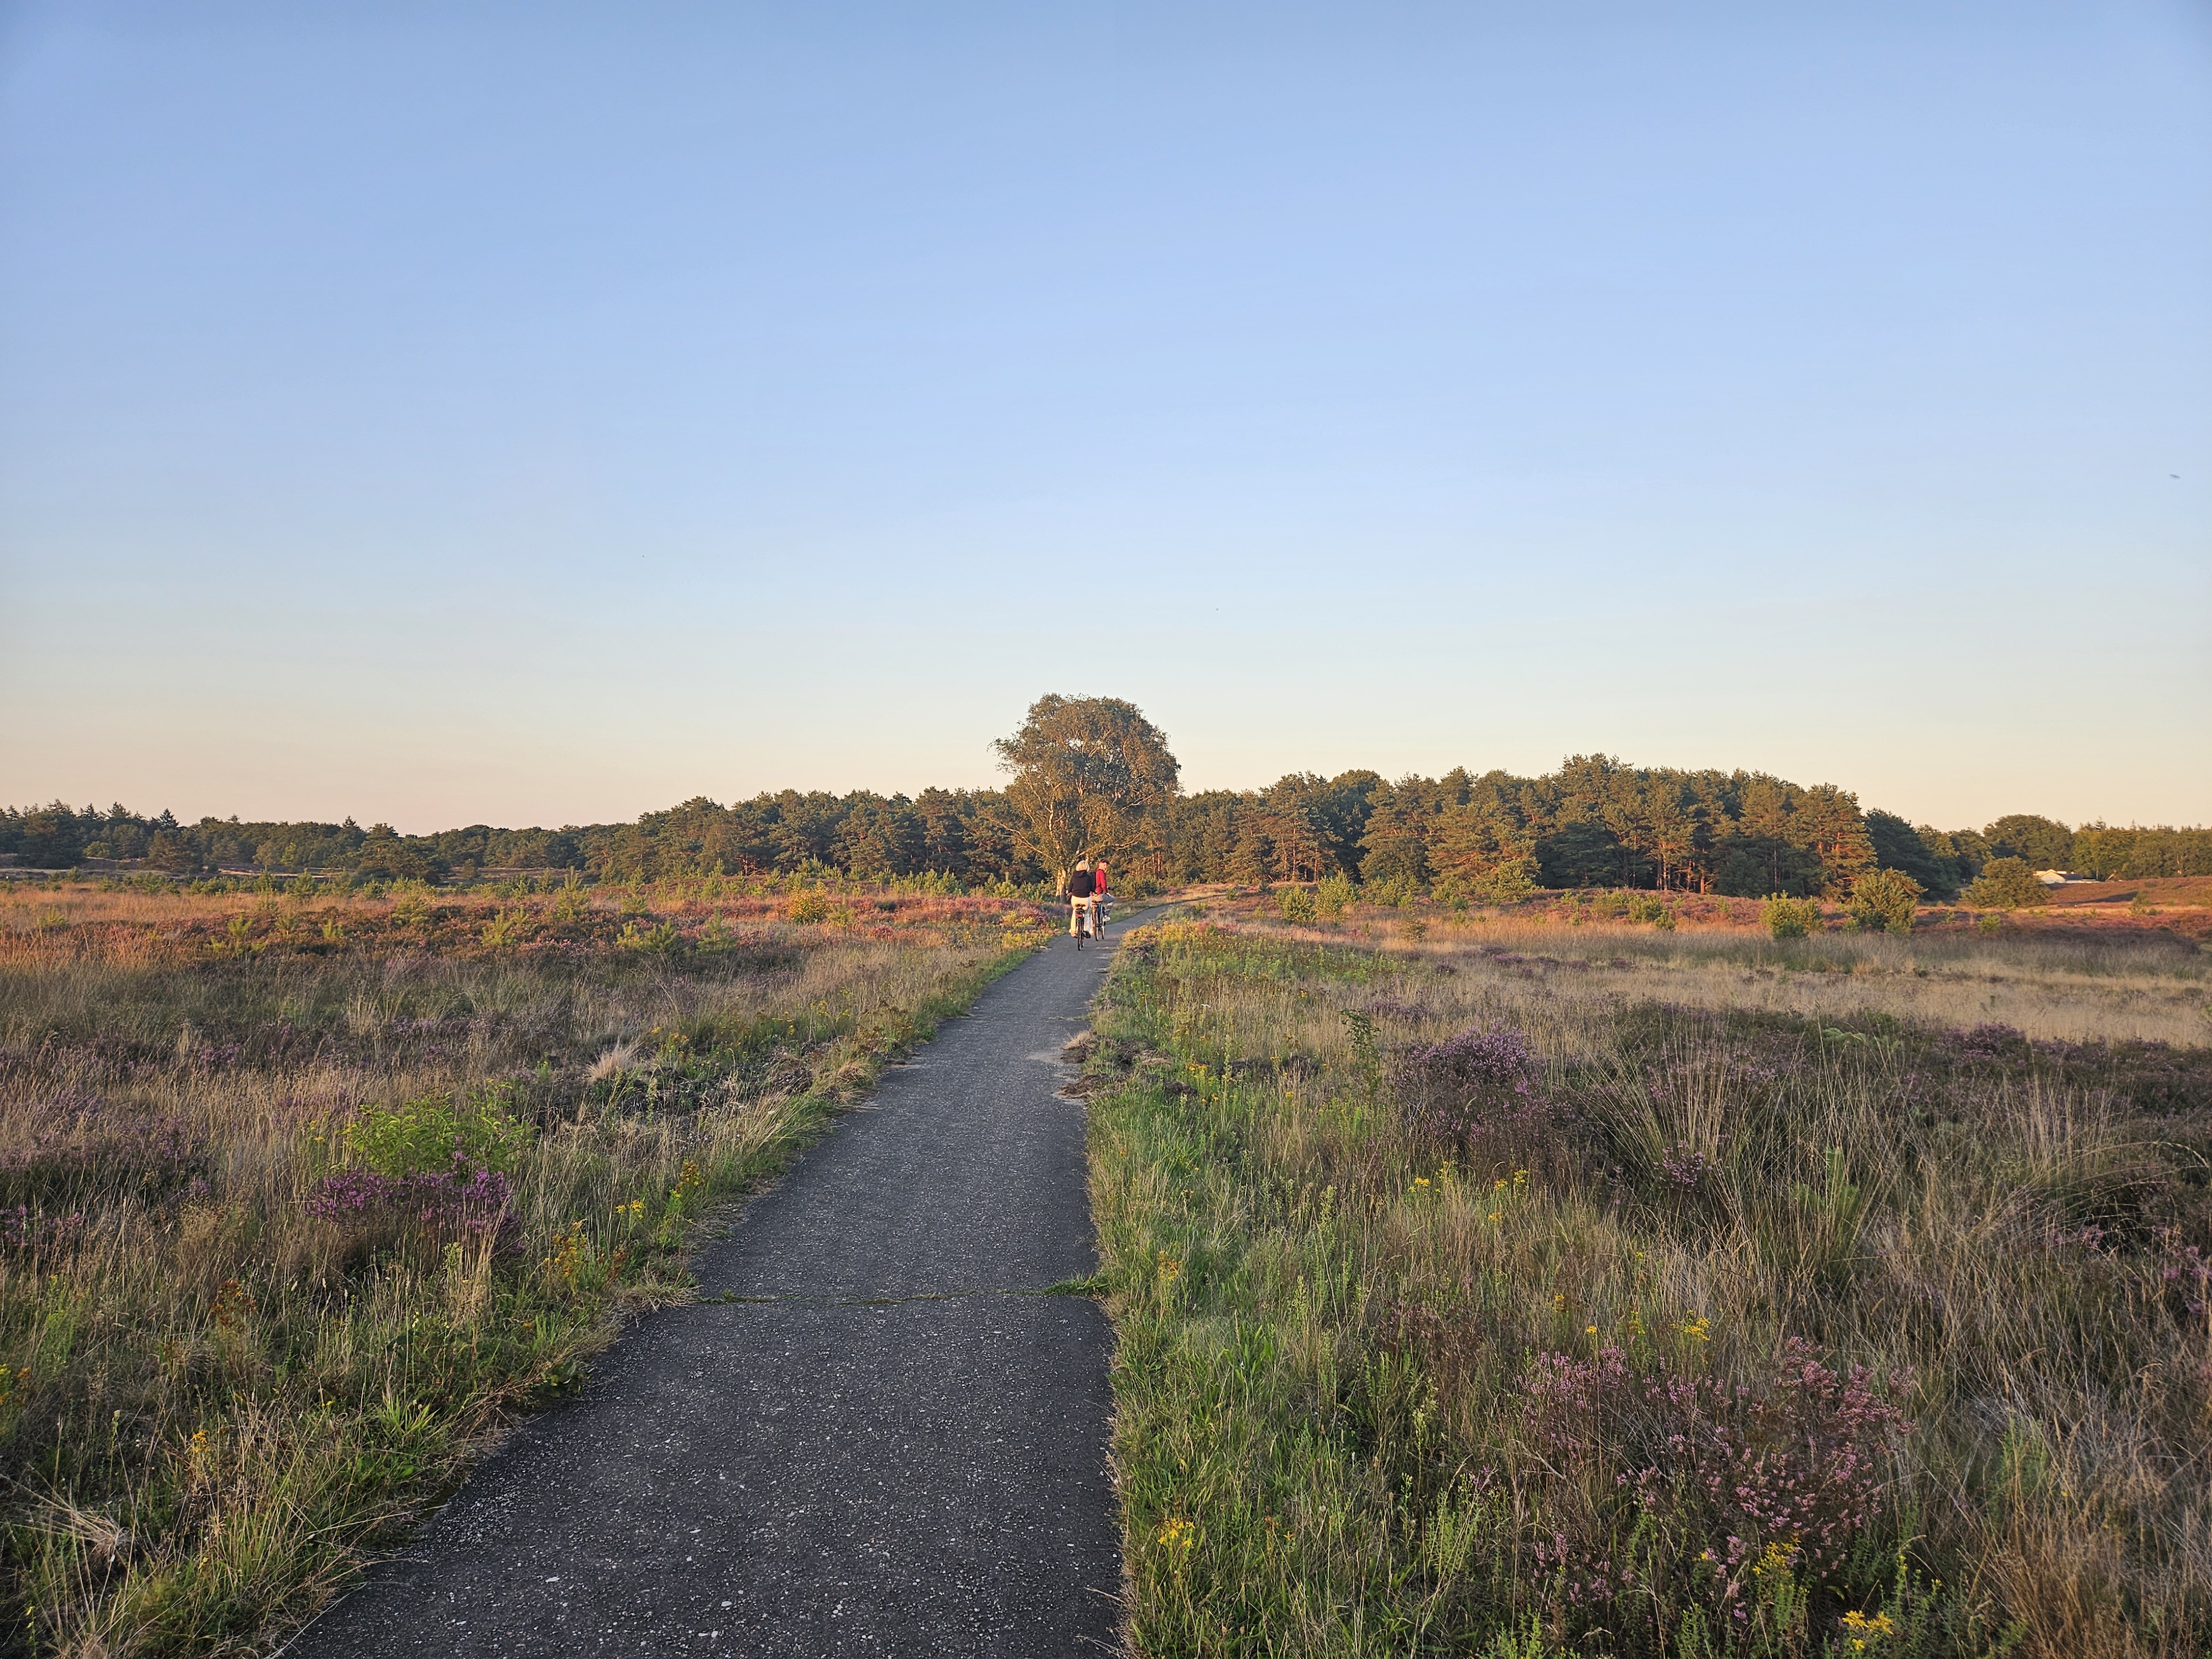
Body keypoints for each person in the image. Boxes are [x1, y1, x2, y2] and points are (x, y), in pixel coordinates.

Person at [1067, 859, 1098, 939]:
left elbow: (1070, 887)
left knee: (1075, 912)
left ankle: (1074, 930)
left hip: (1075, 898)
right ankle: (1086, 930)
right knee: (1086, 914)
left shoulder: (1074, 875)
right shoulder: (1089, 877)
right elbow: (1092, 888)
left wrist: (1069, 892)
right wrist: (1093, 892)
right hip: (1085, 898)